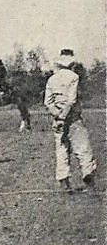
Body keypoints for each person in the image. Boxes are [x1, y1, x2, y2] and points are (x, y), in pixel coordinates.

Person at [44, 49, 97, 191]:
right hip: (73, 118)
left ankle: (64, 181)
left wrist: (58, 116)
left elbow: (48, 103)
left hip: (57, 120)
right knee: (83, 148)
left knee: (62, 149)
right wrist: (64, 116)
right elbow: (72, 100)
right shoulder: (74, 77)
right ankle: (88, 175)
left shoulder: (51, 79)